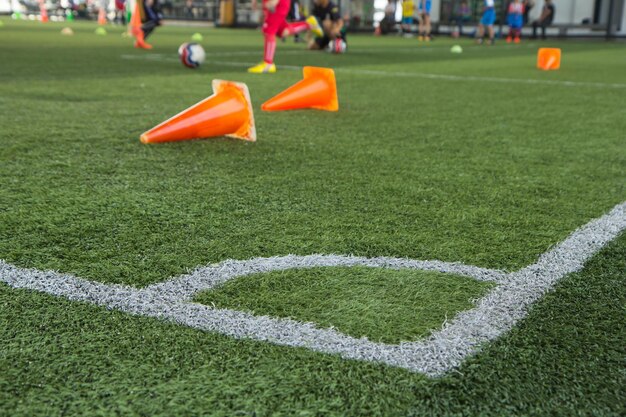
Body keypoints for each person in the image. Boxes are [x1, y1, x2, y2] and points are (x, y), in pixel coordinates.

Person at [248, 0, 323, 73]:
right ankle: (309, 24)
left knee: (269, 30)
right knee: (283, 31)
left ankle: (268, 63)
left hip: (279, 3)